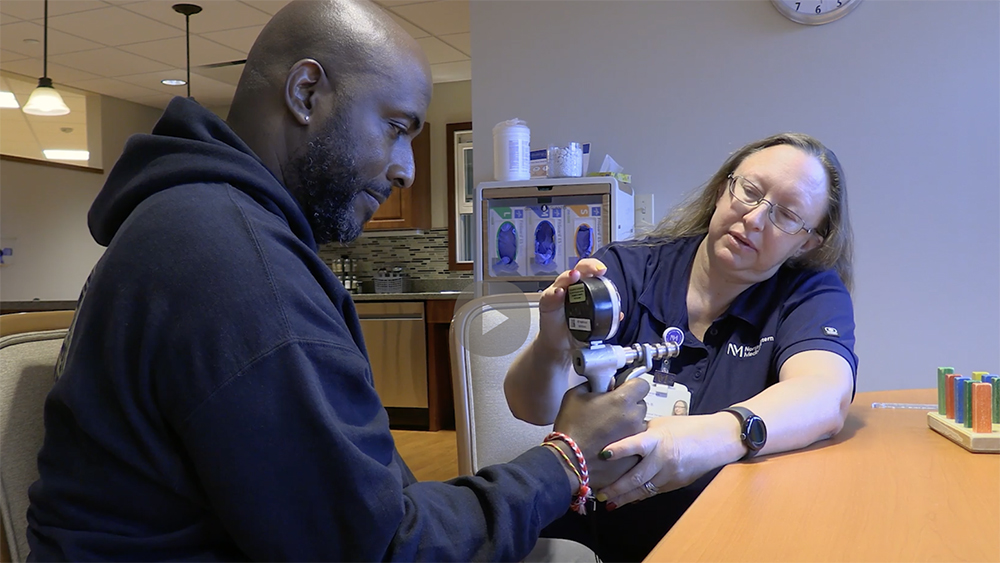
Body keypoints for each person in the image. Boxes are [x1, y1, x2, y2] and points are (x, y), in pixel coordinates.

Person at [24, 1, 651, 560]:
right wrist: (566, 459)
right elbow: (382, 547)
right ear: (305, 92)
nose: (406, 169)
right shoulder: (240, 269)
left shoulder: (196, 223)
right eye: (397, 127)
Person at [505, 132, 858, 561]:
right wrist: (551, 345)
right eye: (748, 191)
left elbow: (825, 394)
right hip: (593, 535)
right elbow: (531, 408)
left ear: (807, 241)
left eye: (786, 215)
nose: (753, 219)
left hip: (732, 536)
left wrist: (714, 437)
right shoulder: (627, 269)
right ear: (722, 188)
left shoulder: (810, 293)